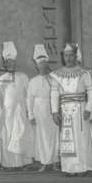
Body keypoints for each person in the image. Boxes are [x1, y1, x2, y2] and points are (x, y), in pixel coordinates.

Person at [49, 42, 92, 177]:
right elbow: (54, 93)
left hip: (80, 110)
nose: (68, 58)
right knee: (67, 139)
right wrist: (55, 112)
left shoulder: (84, 73)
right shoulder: (56, 74)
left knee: (81, 138)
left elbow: (91, 92)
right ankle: (69, 168)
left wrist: (89, 108)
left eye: (71, 55)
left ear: (76, 56)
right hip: (64, 111)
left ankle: (82, 167)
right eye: (66, 55)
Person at [0, 42, 34, 170]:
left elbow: (28, 95)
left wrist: (29, 111)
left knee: (20, 134)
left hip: (20, 112)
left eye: (12, 62)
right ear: (5, 64)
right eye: (8, 62)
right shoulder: (1, 79)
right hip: (7, 112)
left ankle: (23, 163)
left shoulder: (23, 77)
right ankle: (9, 163)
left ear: (15, 63)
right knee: (8, 135)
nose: (10, 64)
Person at [26, 44, 58, 172]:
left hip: (53, 109)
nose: (42, 66)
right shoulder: (33, 81)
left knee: (54, 136)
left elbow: (58, 95)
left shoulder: (54, 78)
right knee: (42, 137)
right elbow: (29, 99)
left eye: (44, 63)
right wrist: (31, 115)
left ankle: (55, 162)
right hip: (39, 111)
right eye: (40, 64)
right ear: (36, 66)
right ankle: (44, 162)